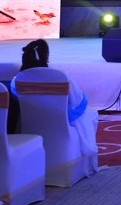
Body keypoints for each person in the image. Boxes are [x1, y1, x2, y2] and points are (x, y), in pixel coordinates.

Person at [9, 39, 99, 177]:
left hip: (30, 122)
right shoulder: (60, 76)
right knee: (91, 114)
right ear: (46, 56)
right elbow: (78, 101)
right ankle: (78, 162)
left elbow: (18, 100)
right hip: (60, 121)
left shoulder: (17, 79)